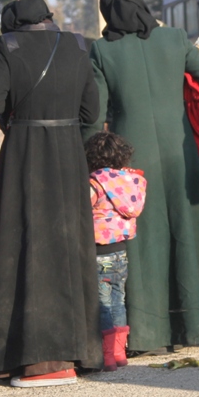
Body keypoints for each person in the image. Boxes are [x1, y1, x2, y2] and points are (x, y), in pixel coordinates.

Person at [86, 0, 199, 352]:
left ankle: (148, 334)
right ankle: (198, 325)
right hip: (179, 150)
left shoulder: (102, 51)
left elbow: (97, 110)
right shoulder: (175, 38)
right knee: (188, 232)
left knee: (142, 242)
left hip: (131, 157)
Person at [0, 0, 101, 387]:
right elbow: (90, 113)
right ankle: (77, 353)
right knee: (70, 247)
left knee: (21, 247)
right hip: (67, 155)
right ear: (49, 17)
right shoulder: (80, 45)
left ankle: (28, 359)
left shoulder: (9, 46)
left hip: (25, 155)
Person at [85, 131, 146, 372]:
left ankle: (107, 355)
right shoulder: (133, 181)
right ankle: (120, 352)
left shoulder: (95, 182)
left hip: (99, 252)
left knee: (102, 304)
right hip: (121, 252)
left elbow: (83, 206)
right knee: (118, 301)